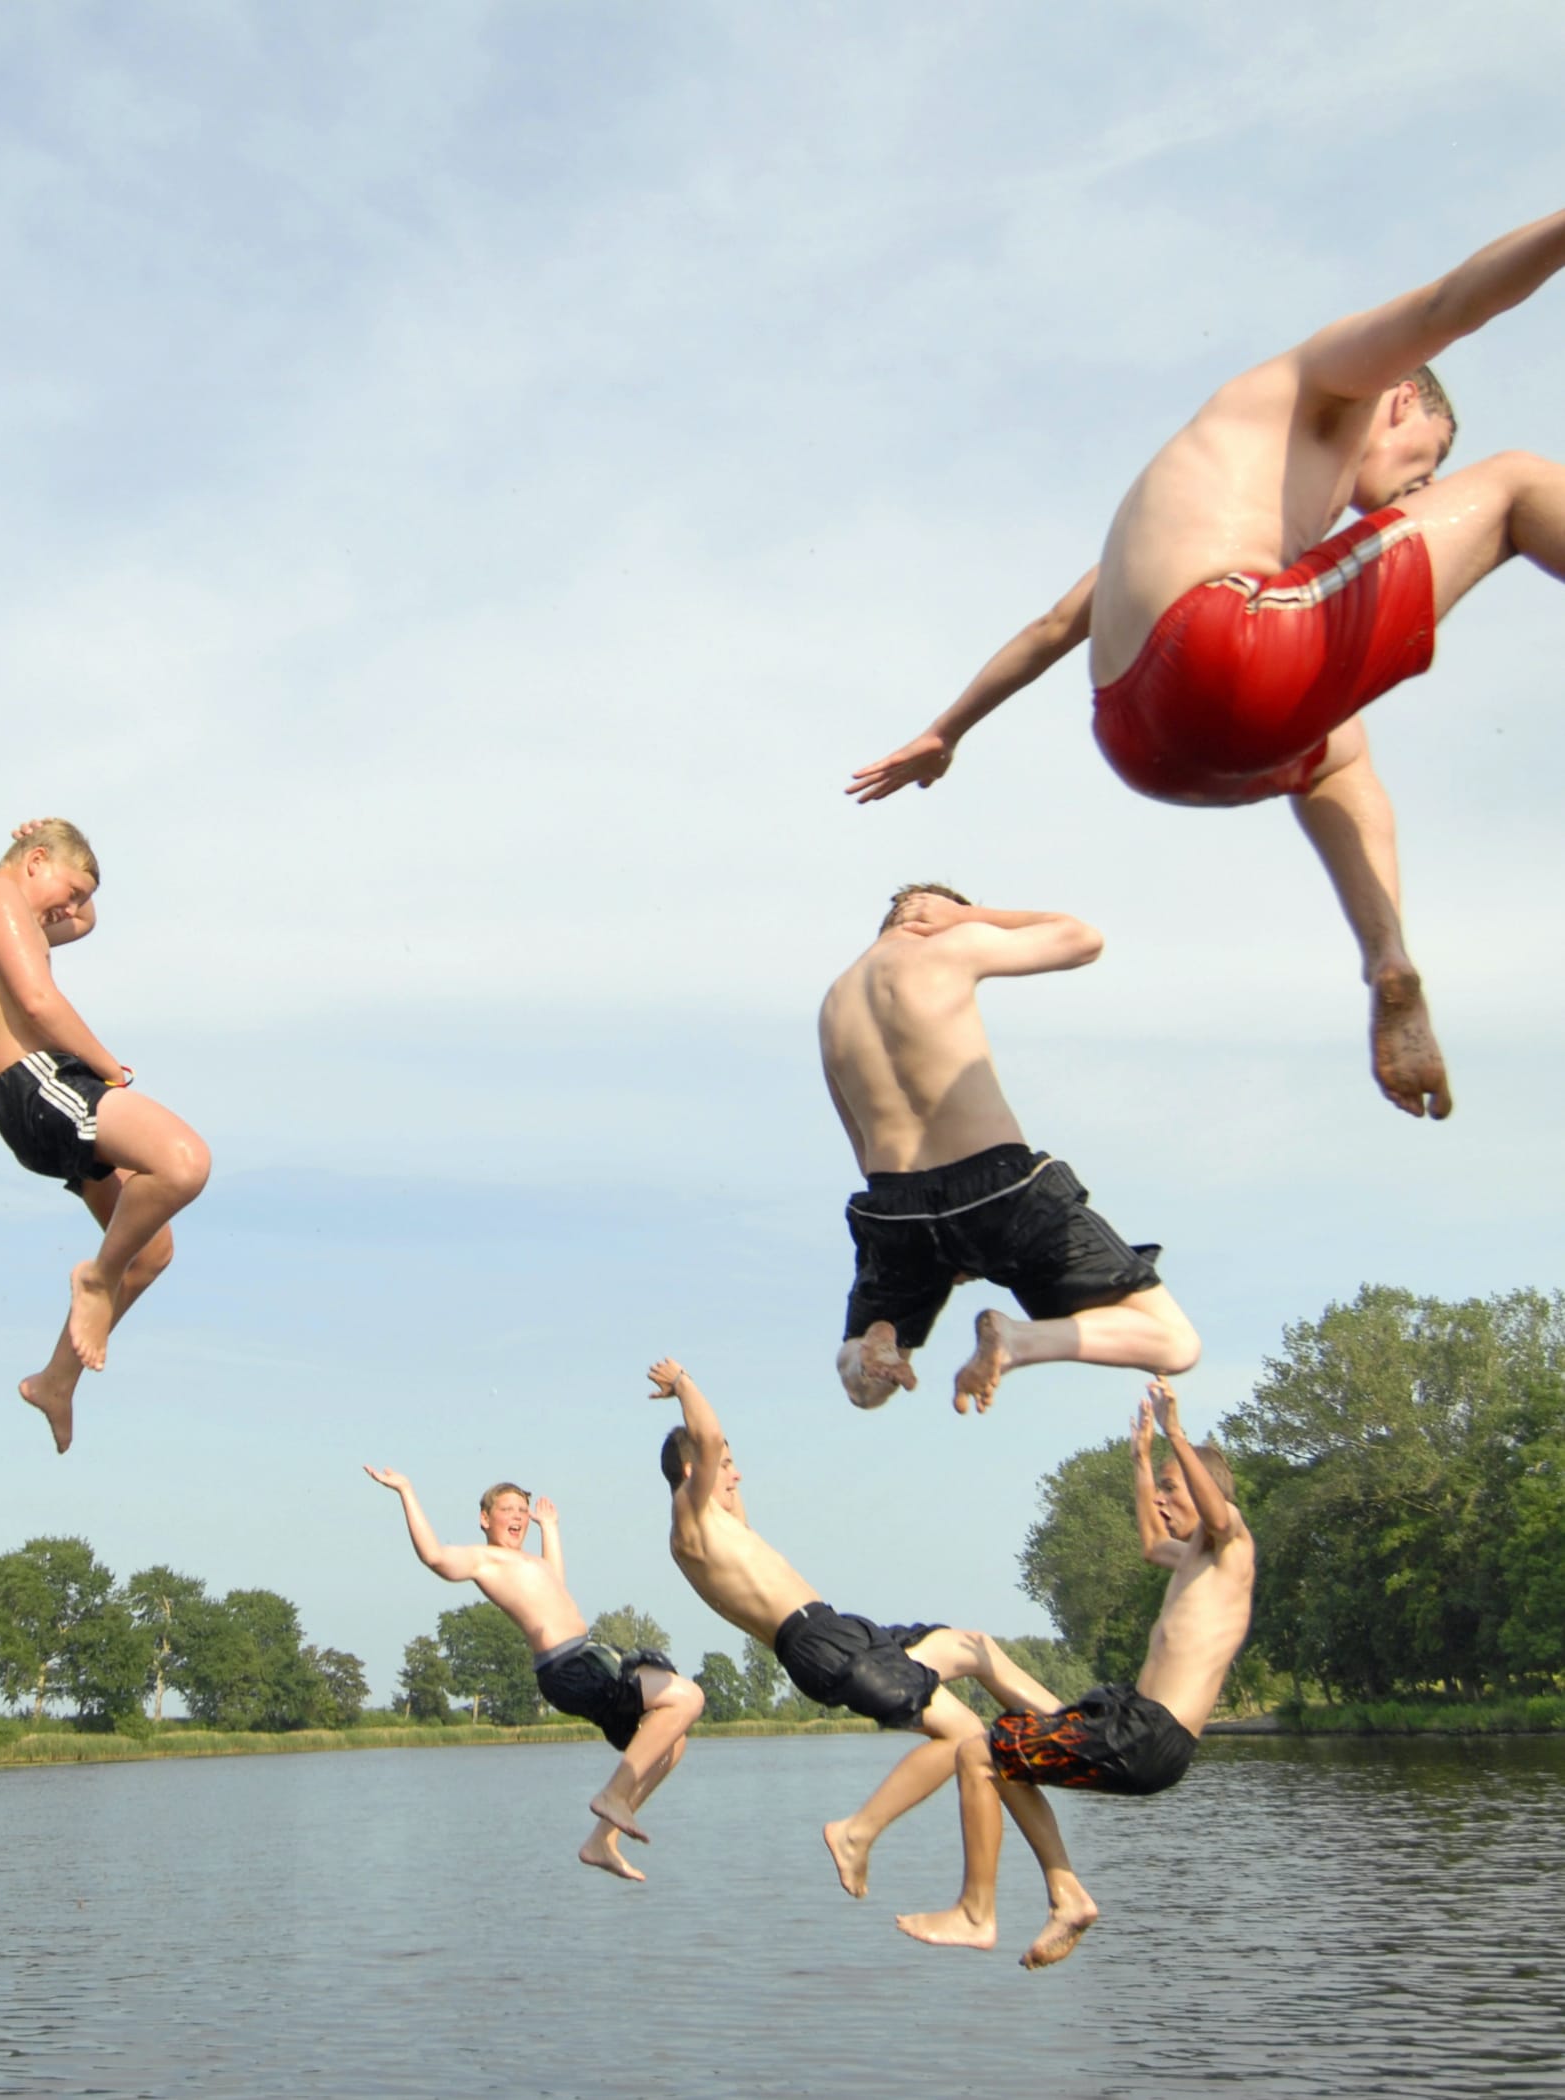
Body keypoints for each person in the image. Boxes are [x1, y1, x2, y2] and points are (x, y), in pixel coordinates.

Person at [850, 206, 1565, 1121]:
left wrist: (946, 731)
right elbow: (1452, 304)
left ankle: (1389, 963)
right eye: (1426, 460)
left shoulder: (1190, 496)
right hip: (1225, 644)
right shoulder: (1328, 380)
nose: (1421, 491)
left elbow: (1051, 626)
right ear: (1400, 402)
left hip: (1143, 740)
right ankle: (1384, 954)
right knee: (1516, 481)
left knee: (1338, 748)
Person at [651, 1358, 1097, 1965]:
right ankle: (862, 1837)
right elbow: (705, 1437)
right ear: (692, 1471)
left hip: (841, 1630)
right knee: (972, 1741)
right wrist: (683, 1385)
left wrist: (723, 1462)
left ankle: (1081, 1737)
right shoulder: (690, 1519)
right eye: (727, 1464)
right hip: (820, 1646)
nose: (736, 1473)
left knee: (974, 1647)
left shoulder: (726, 1529)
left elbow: (717, 1460)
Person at [896, 1377, 1256, 1963]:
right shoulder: (1193, 1559)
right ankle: (1066, 1897)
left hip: (1150, 1733)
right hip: (1139, 1724)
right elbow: (1149, 1543)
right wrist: (1141, 1462)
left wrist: (1174, 1432)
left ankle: (980, 1911)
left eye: (1171, 1489)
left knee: (978, 1755)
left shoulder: (1233, 1544)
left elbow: (1218, 1514)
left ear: (1205, 1488)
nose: (1161, 1500)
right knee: (1001, 1757)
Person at [825, 884, 1196, 1413]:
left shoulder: (834, 1003)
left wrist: (943, 1242)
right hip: (999, 1185)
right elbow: (1082, 939)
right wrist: (967, 916)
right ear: (936, 914)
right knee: (1173, 1343)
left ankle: (868, 1353)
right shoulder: (950, 944)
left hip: (894, 1206)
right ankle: (1018, 1340)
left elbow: (860, 1145)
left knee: (868, 1392)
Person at [0, 819, 210, 1453]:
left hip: (42, 1097)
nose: (71, 910)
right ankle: (94, 1281)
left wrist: (69, 865)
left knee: (150, 1251)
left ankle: (56, 1381)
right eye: (68, 891)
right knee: (183, 1162)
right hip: (40, 1084)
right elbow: (38, 1002)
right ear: (34, 860)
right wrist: (108, 1068)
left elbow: (84, 922)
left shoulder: (19, 909)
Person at [363, 1466, 703, 1880]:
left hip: (588, 1660)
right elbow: (433, 1555)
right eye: (508, 1509)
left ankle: (602, 1841)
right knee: (688, 1697)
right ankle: (613, 1795)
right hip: (569, 1666)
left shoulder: (532, 1564)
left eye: (523, 1510)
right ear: (485, 1518)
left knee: (673, 1744)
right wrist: (406, 1491)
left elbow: (555, 1581)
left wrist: (551, 1528)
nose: (518, 1516)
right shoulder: (485, 1560)